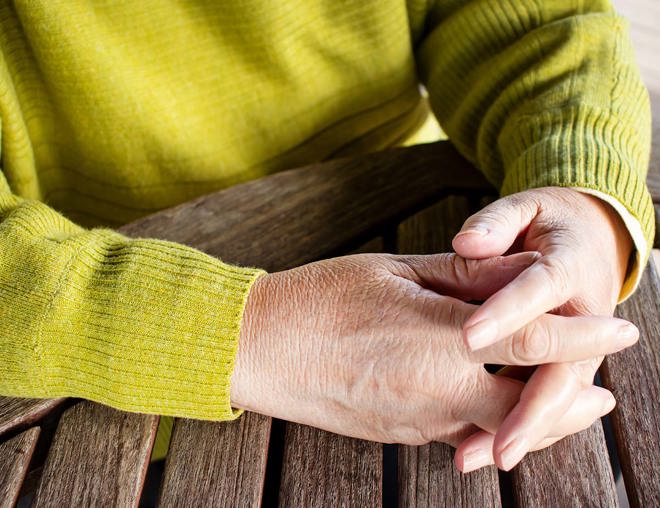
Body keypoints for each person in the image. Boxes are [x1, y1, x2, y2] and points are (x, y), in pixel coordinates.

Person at [0, 0, 652, 476]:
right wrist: (245, 330)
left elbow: (533, 23)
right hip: (81, 381)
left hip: (427, 273)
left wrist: (583, 199)